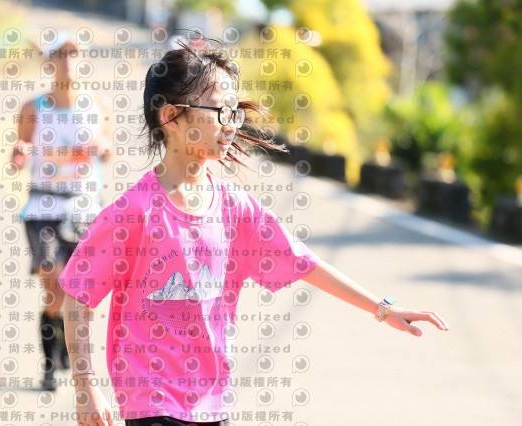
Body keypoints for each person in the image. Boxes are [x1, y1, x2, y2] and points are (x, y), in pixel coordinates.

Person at [58, 36, 450, 426]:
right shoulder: (133, 212)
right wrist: (85, 385)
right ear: (172, 117)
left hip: (212, 403)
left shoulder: (235, 208)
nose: (231, 124)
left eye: (234, 112)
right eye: (219, 111)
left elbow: (304, 263)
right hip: (152, 400)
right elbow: (77, 295)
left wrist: (383, 308)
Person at [10, 32, 114, 391]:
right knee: (54, 288)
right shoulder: (33, 108)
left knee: (83, 295)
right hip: (43, 207)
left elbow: (109, 151)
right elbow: (20, 148)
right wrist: (19, 155)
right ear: (48, 62)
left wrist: (104, 147)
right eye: (60, 54)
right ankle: (49, 365)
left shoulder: (97, 105)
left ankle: (70, 347)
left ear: (82, 59)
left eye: (73, 53)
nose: (67, 60)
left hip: (85, 208)